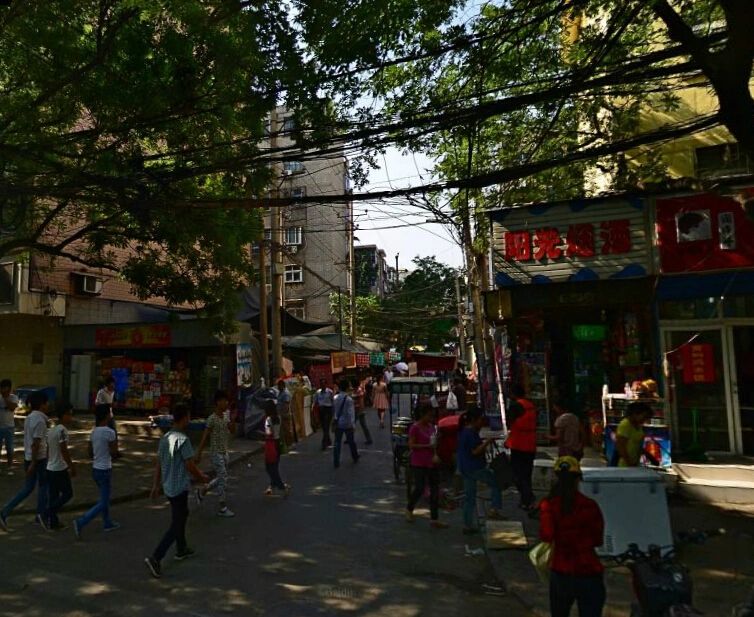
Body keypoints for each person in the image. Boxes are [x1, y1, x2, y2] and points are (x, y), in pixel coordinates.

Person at [145, 404, 209, 578]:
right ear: (185, 418)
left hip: (169, 486)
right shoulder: (183, 440)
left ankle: (181, 548)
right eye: (188, 416)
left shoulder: (165, 438)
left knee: (181, 515)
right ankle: (156, 557)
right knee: (177, 523)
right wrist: (202, 477)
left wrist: (155, 485)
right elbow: (190, 465)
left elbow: (159, 463)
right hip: (179, 486)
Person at [539, 456, 606, 617]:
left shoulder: (550, 506)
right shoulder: (589, 505)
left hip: (561, 572)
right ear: (578, 479)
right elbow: (598, 540)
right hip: (588, 571)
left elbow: (547, 536)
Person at [0, 391, 50, 531]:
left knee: (28, 488)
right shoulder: (40, 420)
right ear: (41, 404)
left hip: (29, 457)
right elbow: (36, 443)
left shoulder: (30, 418)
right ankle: (40, 514)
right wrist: (34, 462)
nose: (48, 405)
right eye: (46, 403)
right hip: (38, 458)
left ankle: (5, 512)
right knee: (43, 485)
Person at [73, 404, 120, 539]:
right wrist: (115, 454)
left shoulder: (94, 432)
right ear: (107, 415)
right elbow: (114, 452)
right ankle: (81, 521)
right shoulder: (110, 432)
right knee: (104, 501)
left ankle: (107, 522)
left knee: (103, 497)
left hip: (96, 468)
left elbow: (89, 451)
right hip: (105, 469)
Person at [457, 408, 503, 535]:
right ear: (474, 420)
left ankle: (467, 524)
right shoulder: (470, 433)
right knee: (496, 482)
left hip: (465, 467)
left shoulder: (464, 431)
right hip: (474, 467)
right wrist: (487, 442)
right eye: (480, 420)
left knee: (470, 497)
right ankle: (494, 508)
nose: (482, 422)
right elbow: (475, 451)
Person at [405, 402, 447, 529]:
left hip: (431, 461)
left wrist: (437, 442)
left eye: (432, 416)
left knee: (434, 490)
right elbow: (411, 445)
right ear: (422, 415)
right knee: (419, 487)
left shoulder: (432, 427)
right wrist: (426, 446)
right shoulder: (415, 428)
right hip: (418, 462)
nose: (431, 418)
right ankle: (409, 508)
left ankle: (434, 518)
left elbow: (434, 443)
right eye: (429, 415)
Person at [196, 390, 236, 517]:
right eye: (224, 401)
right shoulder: (211, 419)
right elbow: (205, 436)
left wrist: (233, 419)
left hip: (225, 452)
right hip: (215, 453)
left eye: (227, 401)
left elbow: (232, 431)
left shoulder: (226, 417)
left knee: (222, 477)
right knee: (223, 477)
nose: (226, 403)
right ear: (218, 402)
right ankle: (222, 507)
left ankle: (203, 490)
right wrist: (199, 452)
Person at [506, 384, 538, 511]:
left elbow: (510, 422)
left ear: (514, 394)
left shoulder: (515, 406)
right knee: (526, 474)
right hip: (530, 444)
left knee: (517, 474)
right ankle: (527, 498)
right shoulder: (531, 405)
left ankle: (528, 499)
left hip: (518, 444)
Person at [46, 402, 76, 530]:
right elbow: (64, 450)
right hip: (59, 468)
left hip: (50, 467)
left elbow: (48, 449)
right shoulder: (62, 430)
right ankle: (48, 512)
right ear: (63, 415)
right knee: (68, 493)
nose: (71, 417)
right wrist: (71, 466)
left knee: (54, 495)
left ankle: (53, 522)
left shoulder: (51, 430)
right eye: (69, 414)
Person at [263, 400, 290, 496]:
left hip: (271, 443)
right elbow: (280, 430)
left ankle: (281, 486)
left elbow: (268, 432)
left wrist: (263, 434)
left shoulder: (268, 420)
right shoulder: (278, 418)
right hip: (278, 443)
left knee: (269, 467)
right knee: (275, 466)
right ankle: (271, 486)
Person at [616, 402, 652, 467]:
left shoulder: (639, 426)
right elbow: (621, 447)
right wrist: (629, 463)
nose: (645, 420)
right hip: (625, 465)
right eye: (644, 417)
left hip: (635, 463)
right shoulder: (625, 425)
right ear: (635, 414)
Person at [333, 379, 359, 468]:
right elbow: (351, 413)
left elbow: (334, 411)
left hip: (338, 423)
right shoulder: (349, 399)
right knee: (351, 441)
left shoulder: (335, 398)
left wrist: (335, 420)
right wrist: (353, 424)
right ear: (347, 388)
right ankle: (355, 456)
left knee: (337, 442)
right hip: (347, 423)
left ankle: (336, 461)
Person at [0, 378, 18, 472]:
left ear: (10, 389)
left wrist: (5, 397)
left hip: (9, 427)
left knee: (9, 448)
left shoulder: (13, 397)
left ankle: (10, 466)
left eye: (6, 389)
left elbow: (12, 407)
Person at [314, 379, 334, 450]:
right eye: (321, 384)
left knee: (326, 426)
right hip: (321, 410)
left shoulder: (330, 392)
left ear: (326, 384)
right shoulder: (318, 392)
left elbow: (333, 401)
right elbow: (315, 401)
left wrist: (333, 412)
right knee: (324, 427)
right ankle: (328, 440)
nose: (322, 385)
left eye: (324, 384)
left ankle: (324, 443)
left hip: (328, 410)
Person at [353, 380, 373, 445]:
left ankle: (369, 439)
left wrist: (361, 410)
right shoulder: (355, 390)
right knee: (352, 424)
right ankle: (349, 438)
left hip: (359, 410)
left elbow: (361, 401)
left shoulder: (359, 390)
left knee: (363, 425)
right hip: (355, 410)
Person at [276, 379, 294, 445]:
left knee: (287, 430)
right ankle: (286, 444)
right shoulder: (280, 393)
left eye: (279, 386)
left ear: (282, 385)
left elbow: (286, 405)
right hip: (281, 414)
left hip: (285, 414)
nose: (278, 387)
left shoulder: (285, 393)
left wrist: (283, 414)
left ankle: (290, 444)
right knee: (283, 430)